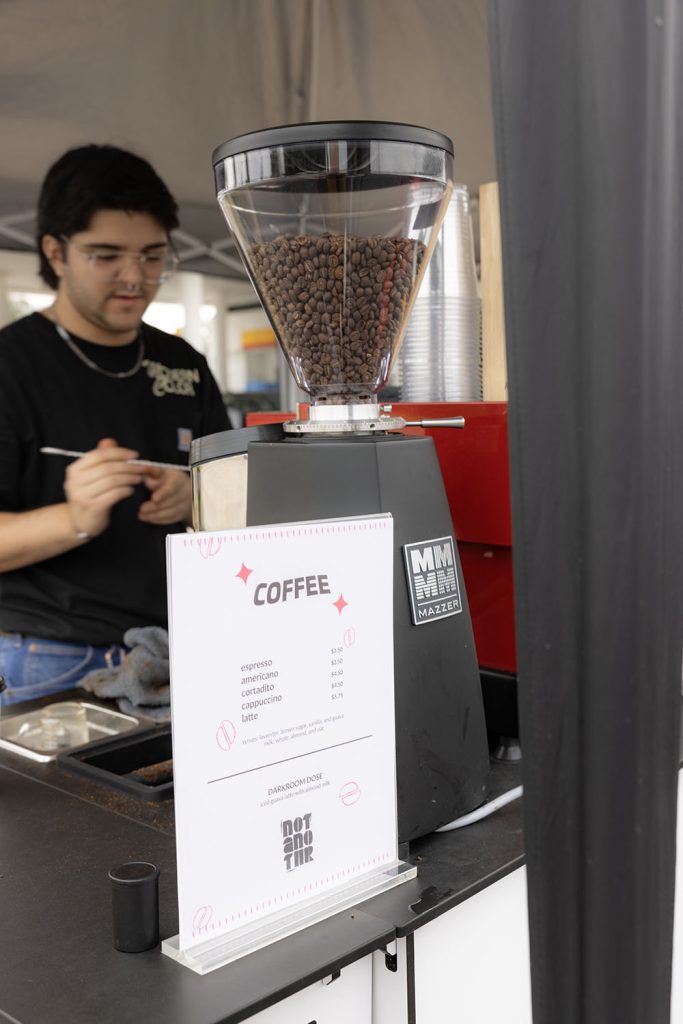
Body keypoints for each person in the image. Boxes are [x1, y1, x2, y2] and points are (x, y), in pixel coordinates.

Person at [0, 144, 230, 705]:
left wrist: (196, 498)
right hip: (49, 656)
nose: (136, 278)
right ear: (56, 252)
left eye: (153, 256)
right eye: (107, 256)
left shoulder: (183, 364)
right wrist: (75, 518)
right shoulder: (11, 366)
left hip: (176, 649)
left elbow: (241, 492)